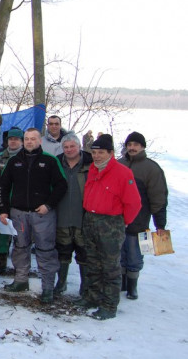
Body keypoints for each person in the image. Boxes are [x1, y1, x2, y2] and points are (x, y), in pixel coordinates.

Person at [0, 128, 67, 303]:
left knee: (45, 250)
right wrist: (3, 209)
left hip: (42, 214)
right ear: (23, 141)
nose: (29, 142)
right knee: (20, 248)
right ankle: (21, 280)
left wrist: (48, 205)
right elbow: (3, 187)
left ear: (40, 141)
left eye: (33, 139)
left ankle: (47, 287)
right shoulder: (14, 162)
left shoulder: (49, 161)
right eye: (27, 139)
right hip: (19, 213)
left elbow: (61, 186)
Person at [78, 134, 141, 320]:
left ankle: (109, 305)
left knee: (110, 267)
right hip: (90, 218)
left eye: (101, 153)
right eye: (94, 152)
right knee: (92, 262)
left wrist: (122, 222)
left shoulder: (123, 173)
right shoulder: (93, 170)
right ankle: (92, 297)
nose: (96, 156)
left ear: (111, 153)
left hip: (111, 223)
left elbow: (134, 203)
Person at [118, 131, 168, 300]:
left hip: (139, 220)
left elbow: (158, 197)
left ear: (142, 147)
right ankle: (122, 282)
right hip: (117, 219)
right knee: (120, 253)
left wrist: (160, 224)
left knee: (134, 254)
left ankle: (132, 286)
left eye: (136, 145)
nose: (132, 148)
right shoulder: (118, 164)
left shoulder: (151, 168)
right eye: (129, 145)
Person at [54, 132, 92, 296]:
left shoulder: (90, 165)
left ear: (79, 147)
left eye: (72, 146)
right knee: (63, 252)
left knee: (84, 253)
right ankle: (61, 283)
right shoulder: (57, 164)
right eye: (66, 147)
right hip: (62, 216)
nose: (69, 150)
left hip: (83, 217)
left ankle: (85, 287)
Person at [0, 127, 23, 274]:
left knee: (21, 237)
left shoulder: (26, 157)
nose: (13, 141)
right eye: (11, 139)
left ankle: (21, 268)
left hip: (20, 202)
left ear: (21, 141)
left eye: (16, 139)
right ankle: (0, 265)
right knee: (1, 235)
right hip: (1, 201)